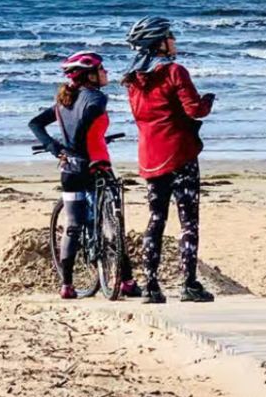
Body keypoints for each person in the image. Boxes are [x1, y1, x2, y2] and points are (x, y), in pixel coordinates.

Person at [29, 52, 141, 300]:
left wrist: (56, 148)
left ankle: (67, 285)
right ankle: (127, 282)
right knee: (113, 223)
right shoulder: (97, 97)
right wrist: (83, 146)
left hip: (70, 168)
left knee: (73, 225)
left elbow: (35, 124)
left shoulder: (62, 101)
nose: (106, 73)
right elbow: (86, 124)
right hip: (96, 165)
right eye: (102, 69)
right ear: (89, 75)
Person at [123, 16, 216, 305]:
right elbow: (194, 110)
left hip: (150, 156)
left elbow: (143, 117)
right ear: (159, 44)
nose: (174, 40)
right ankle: (188, 284)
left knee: (156, 218)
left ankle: (151, 285)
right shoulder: (175, 72)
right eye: (170, 36)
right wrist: (208, 102)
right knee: (188, 221)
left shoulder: (133, 81)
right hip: (180, 154)